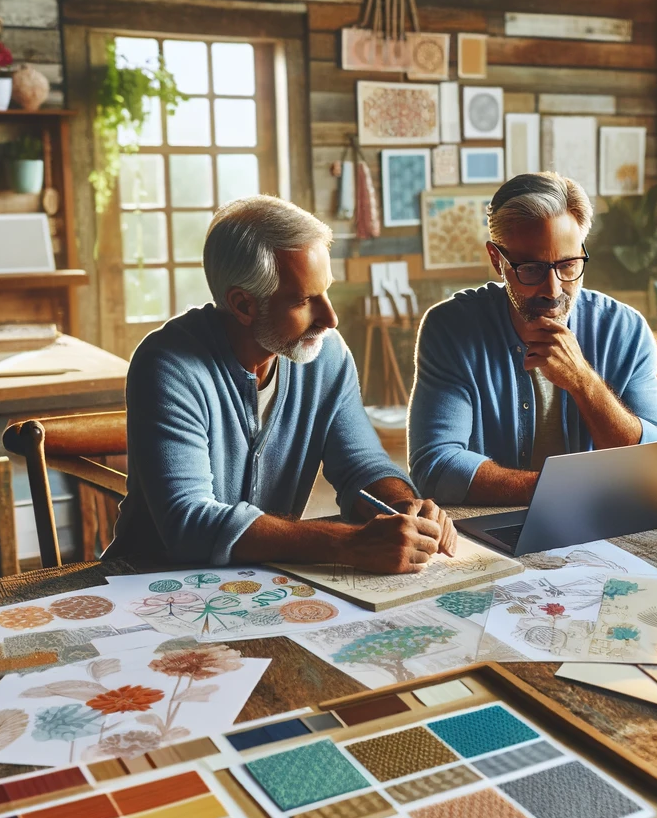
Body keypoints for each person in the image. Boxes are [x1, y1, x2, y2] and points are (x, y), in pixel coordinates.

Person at [106, 195, 454, 571]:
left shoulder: (327, 354)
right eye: (305, 299)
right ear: (242, 304)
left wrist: (403, 507)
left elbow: (361, 466)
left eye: (328, 291)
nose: (331, 318)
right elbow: (190, 522)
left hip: (263, 581)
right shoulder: (168, 366)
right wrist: (350, 544)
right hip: (147, 586)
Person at [408, 172, 657, 505]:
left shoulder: (626, 330)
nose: (553, 290)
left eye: (568, 265)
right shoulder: (450, 329)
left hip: (607, 526)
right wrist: (560, 491)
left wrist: (583, 383)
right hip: (489, 528)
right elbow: (435, 467)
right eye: (532, 269)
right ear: (497, 260)